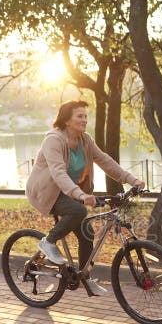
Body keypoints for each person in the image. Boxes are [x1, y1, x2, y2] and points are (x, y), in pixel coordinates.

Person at [26, 100, 145, 293]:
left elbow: (105, 161)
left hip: (69, 191)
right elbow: (58, 173)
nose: (84, 120)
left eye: (86, 116)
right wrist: (81, 195)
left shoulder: (85, 139)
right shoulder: (53, 140)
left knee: (87, 233)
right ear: (66, 120)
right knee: (78, 210)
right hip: (45, 192)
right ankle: (48, 242)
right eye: (79, 116)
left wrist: (132, 180)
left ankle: (84, 277)